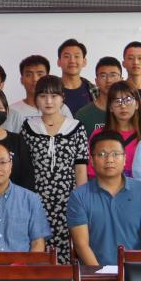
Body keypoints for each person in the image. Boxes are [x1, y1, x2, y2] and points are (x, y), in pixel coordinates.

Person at [19, 75, 88, 263]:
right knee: (37, 250)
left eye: (54, 96)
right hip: (36, 201)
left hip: (68, 201)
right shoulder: (28, 127)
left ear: (62, 97)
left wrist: (81, 202)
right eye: (43, 96)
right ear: (36, 99)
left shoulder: (77, 127)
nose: (48, 101)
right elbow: (24, 168)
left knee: (68, 252)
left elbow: (80, 169)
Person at [68, 131, 141, 266]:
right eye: (102, 154)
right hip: (96, 273)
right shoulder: (79, 196)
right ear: (92, 160)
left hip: (136, 271)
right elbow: (81, 245)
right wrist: (101, 275)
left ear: (125, 159)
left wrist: (140, 273)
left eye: (116, 154)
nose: (109, 160)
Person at [87, 82, 141, 177]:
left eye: (128, 100)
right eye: (117, 101)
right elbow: (91, 171)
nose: (123, 106)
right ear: (110, 107)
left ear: (137, 104)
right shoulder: (99, 134)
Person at [10, 55, 73, 125]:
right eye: (29, 75)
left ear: (48, 77)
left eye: (40, 74)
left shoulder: (62, 108)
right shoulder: (12, 110)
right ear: (22, 80)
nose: (35, 79)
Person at [75, 57, 123, 138]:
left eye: (113, 75)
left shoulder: (127, 112)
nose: (108, 80)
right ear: (96, 81)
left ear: (121, 80)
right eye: (103, 76)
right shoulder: (83, 115)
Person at [57, 39, 98, 114]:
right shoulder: (50, 90)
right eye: (67, 56)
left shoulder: (94, 90)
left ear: (84, 62)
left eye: (76, 56)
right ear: (59, 62)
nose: (72, 61)